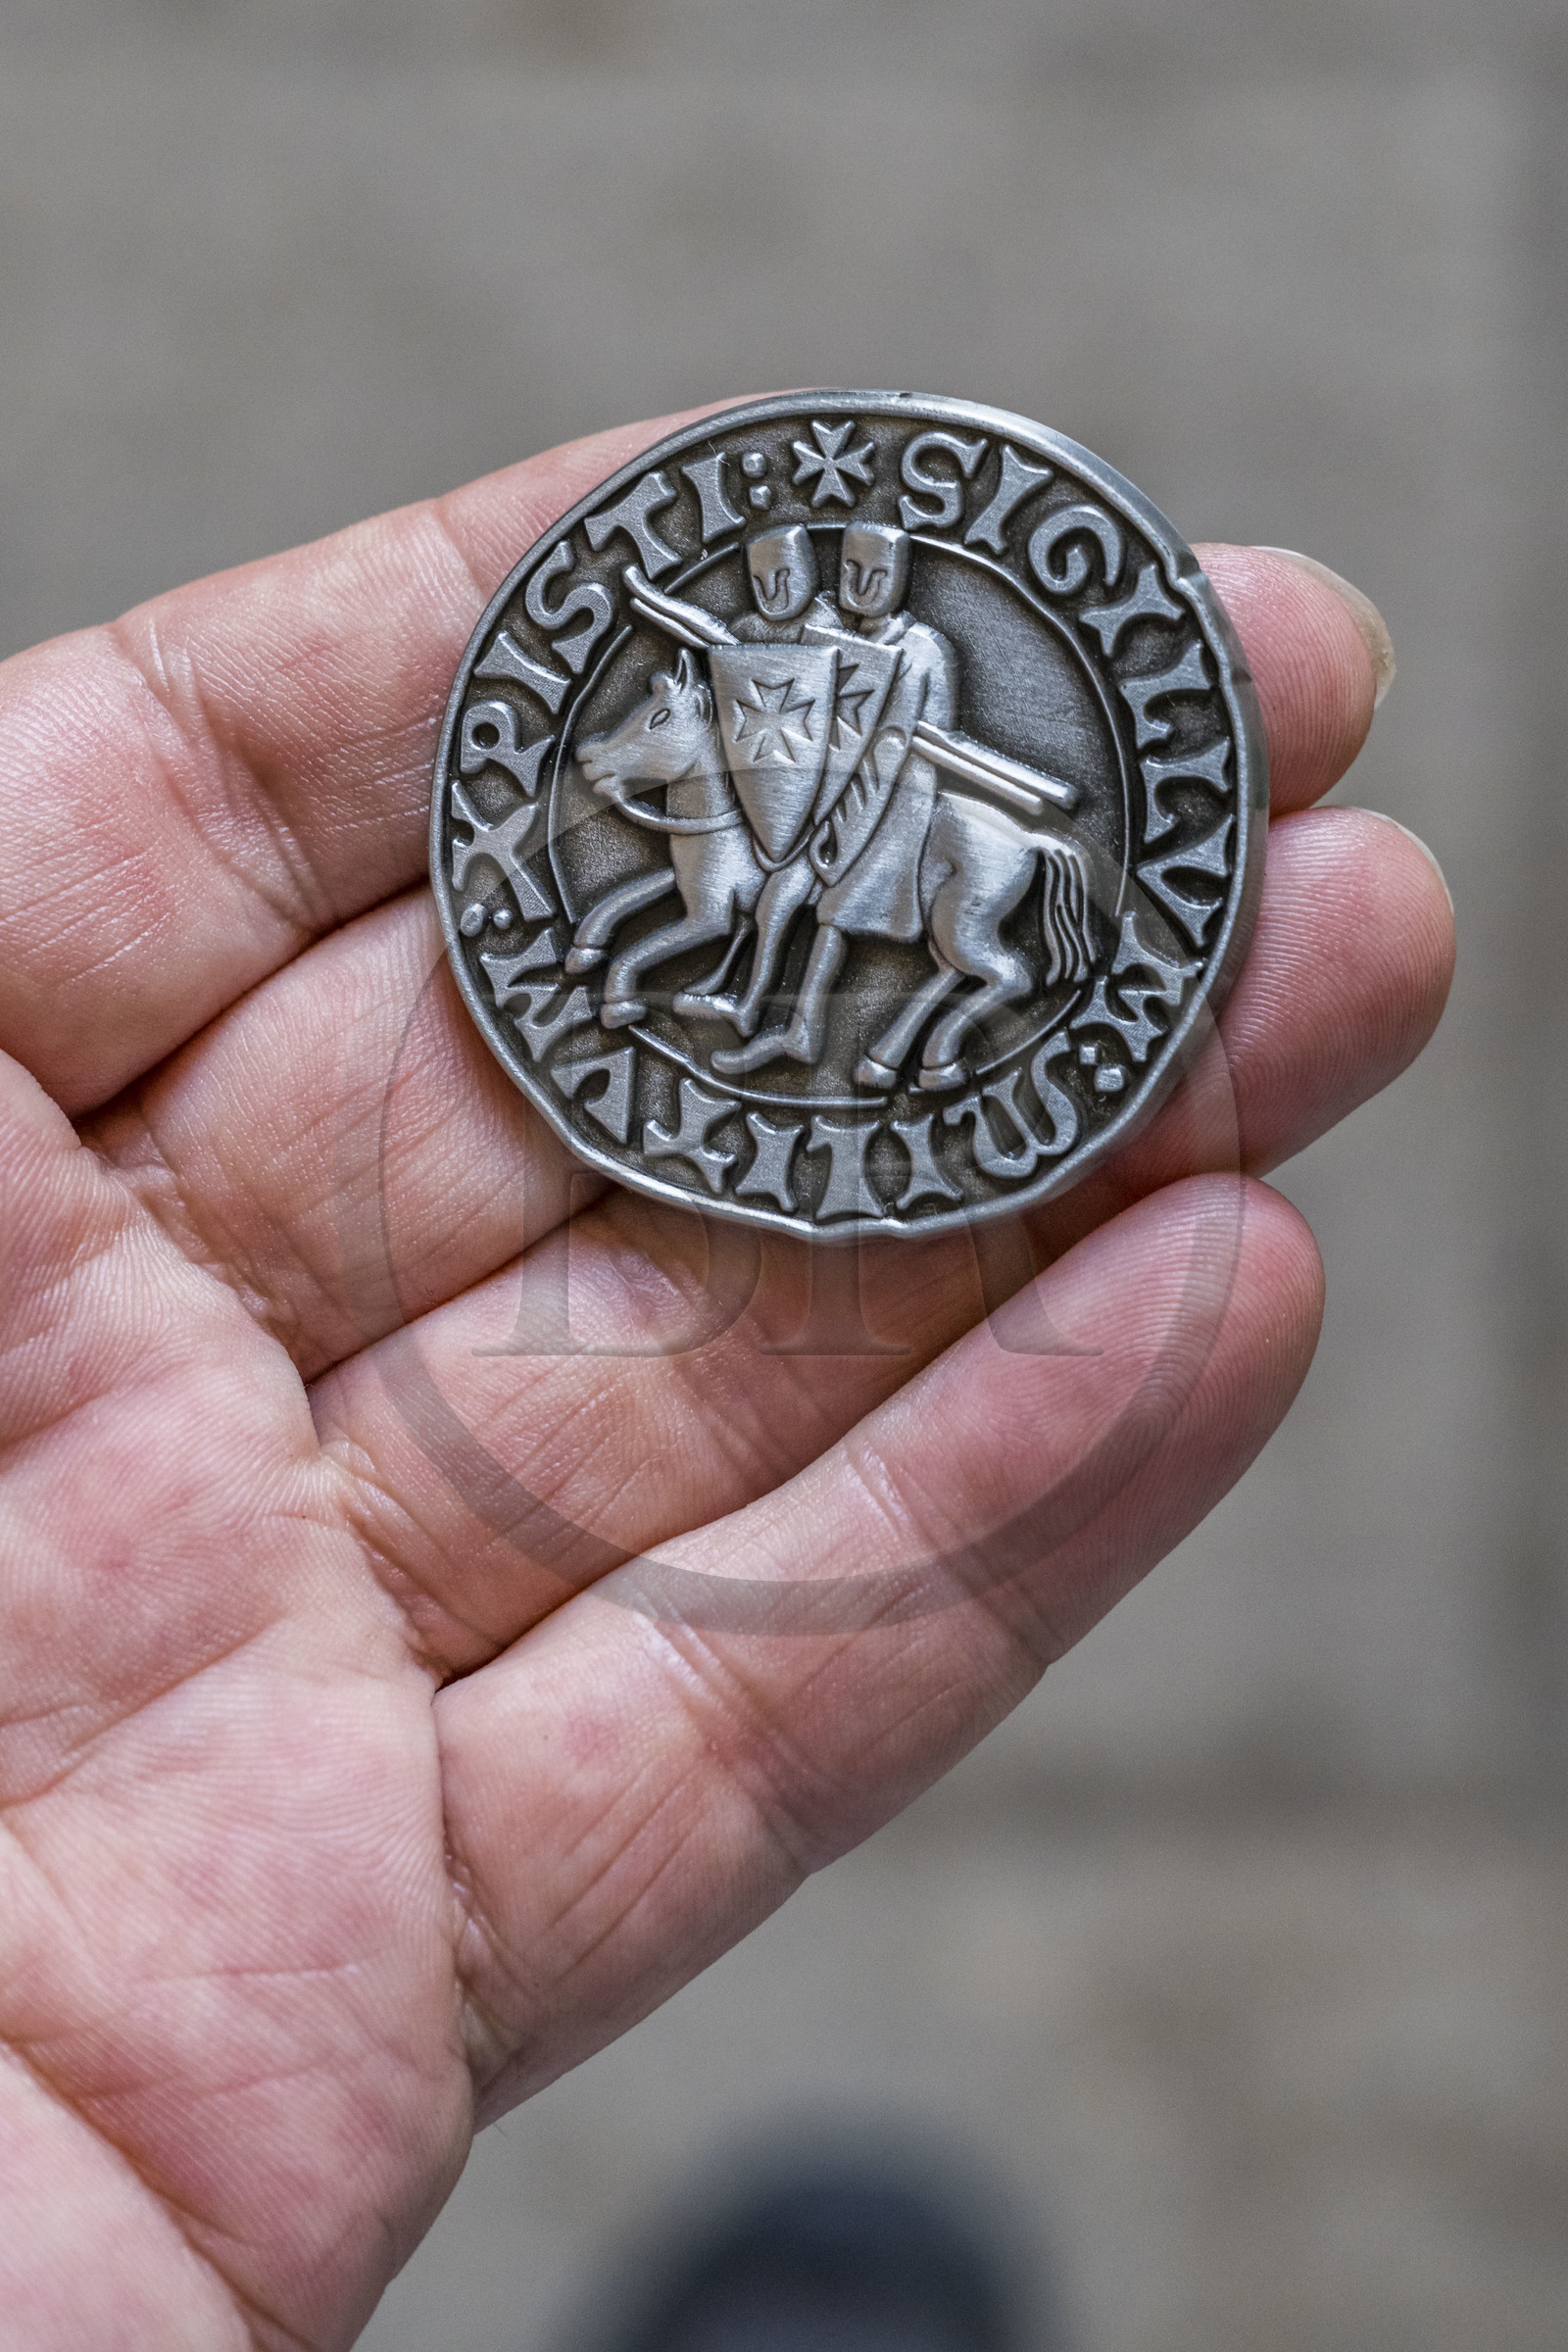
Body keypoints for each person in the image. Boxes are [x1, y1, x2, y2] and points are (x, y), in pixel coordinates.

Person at [0, 402, 1447, 2345]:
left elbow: (868, 723)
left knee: (811, 883)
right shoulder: (768, 652)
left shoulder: (899, 651)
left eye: (832, 569)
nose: (814, 579)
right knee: (745, 885)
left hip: (852, 805)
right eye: (792, 571)